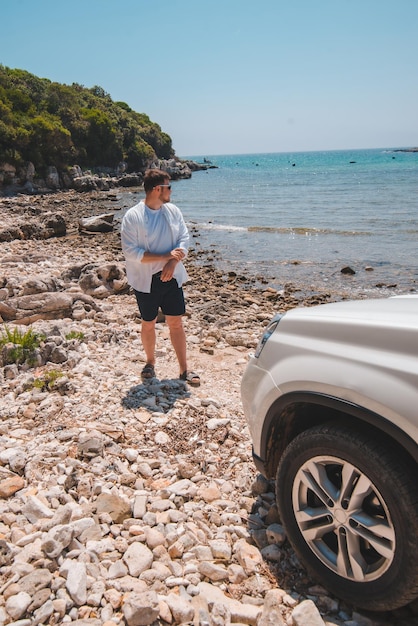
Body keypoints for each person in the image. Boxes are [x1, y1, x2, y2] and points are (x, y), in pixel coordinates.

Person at [121, 168, 200, 386]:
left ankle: (184, 370)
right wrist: (165, 256)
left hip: (172, 276)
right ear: (157, 189)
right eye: (169, 187)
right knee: (148, 323)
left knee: (175, 322)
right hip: (146, 280)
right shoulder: (133, 217)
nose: (171, 191)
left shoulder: (173, 211)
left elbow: (184, 237)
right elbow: (131, 253)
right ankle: (150, 363)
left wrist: (173, 262)